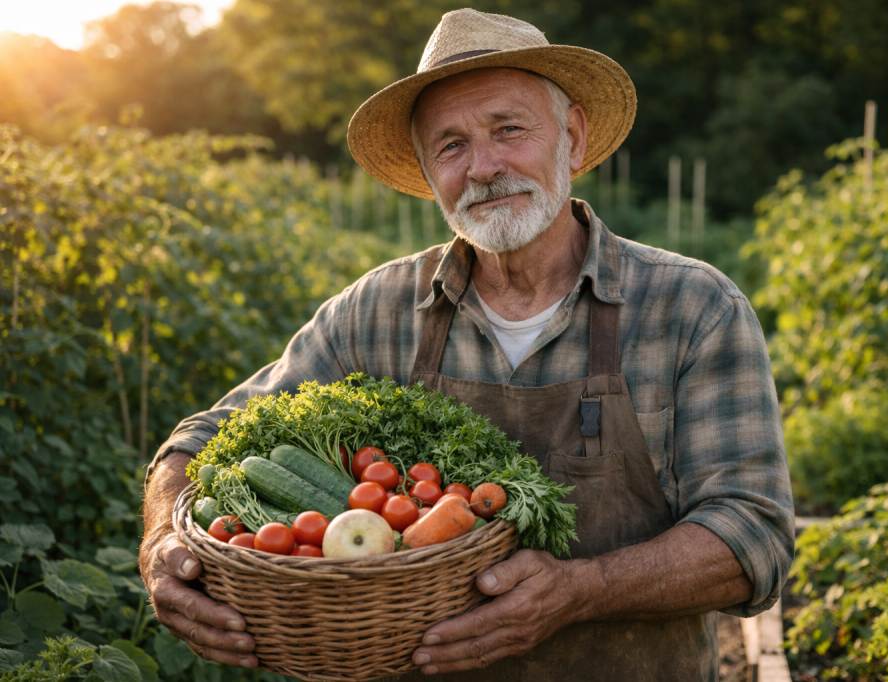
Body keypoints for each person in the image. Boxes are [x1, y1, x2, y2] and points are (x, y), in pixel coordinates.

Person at [139, 9, 794, 681]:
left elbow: (754, 535)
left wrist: (582, 590)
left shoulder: (692, 309)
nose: (483, 167)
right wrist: (161, 540)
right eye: (450, 146)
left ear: (571, 138)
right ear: (429, 173)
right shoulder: (376, 313)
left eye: (508, 129)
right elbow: (203, 437)